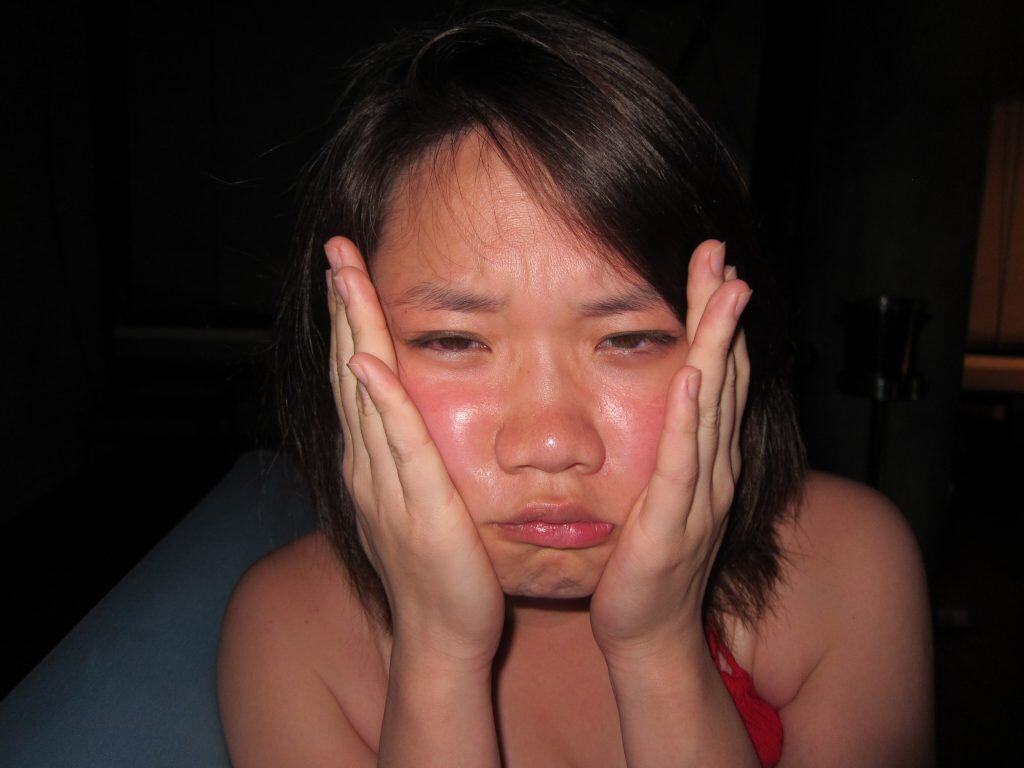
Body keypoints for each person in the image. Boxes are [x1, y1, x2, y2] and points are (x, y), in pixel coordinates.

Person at [216, 4, 934, 766]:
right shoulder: (291, 634)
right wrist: (439, 656)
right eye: (455, 341)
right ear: (341, 353)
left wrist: (660, 649)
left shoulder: (847, 567)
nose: (554, 444)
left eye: (629, 340)